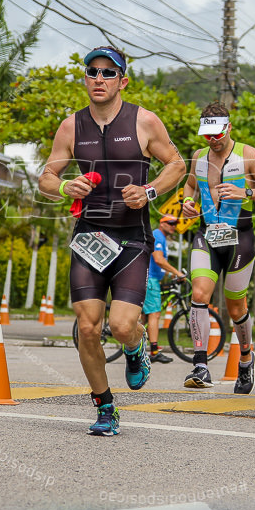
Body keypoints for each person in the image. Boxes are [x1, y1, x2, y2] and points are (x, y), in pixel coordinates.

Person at [38, 45, 185, 436]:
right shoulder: (71, 126)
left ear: (123, 80)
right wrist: (67, 184)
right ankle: (105, 406)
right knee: (88, 326)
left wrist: (149, 191)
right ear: (85, 78)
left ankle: (136, 349)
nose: (99, 79)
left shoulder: (144, 121)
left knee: (122, 326)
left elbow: (177, 165)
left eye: (108, 73)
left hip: (132, 238)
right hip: (89, 236)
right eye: (92, 72)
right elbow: (47, 178)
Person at [179, 103, 255, 391]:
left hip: (240, 236)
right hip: (207, 234)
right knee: (200, 292)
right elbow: (190, 185)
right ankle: (200, 365)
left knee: (235, 304)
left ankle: (245, 359)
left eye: (216, 134)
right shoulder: (198, 157)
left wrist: (246, 192)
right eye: (207, 135)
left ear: (228, 127)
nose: (212, 140)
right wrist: (186, 202)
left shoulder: (250, 154)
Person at [143, 216, 185, 364]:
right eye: (170, 223)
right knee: (154, 314)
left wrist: (170, 273)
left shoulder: (160, 237)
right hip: (150, 280)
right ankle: (154, 352)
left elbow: (158, 263)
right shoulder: (157, 236)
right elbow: (159, 260)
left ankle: (138, 347)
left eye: (175, 224)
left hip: (149, 278)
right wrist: (177, 273)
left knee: (144, 316)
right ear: (162, 223)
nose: (173, 226)